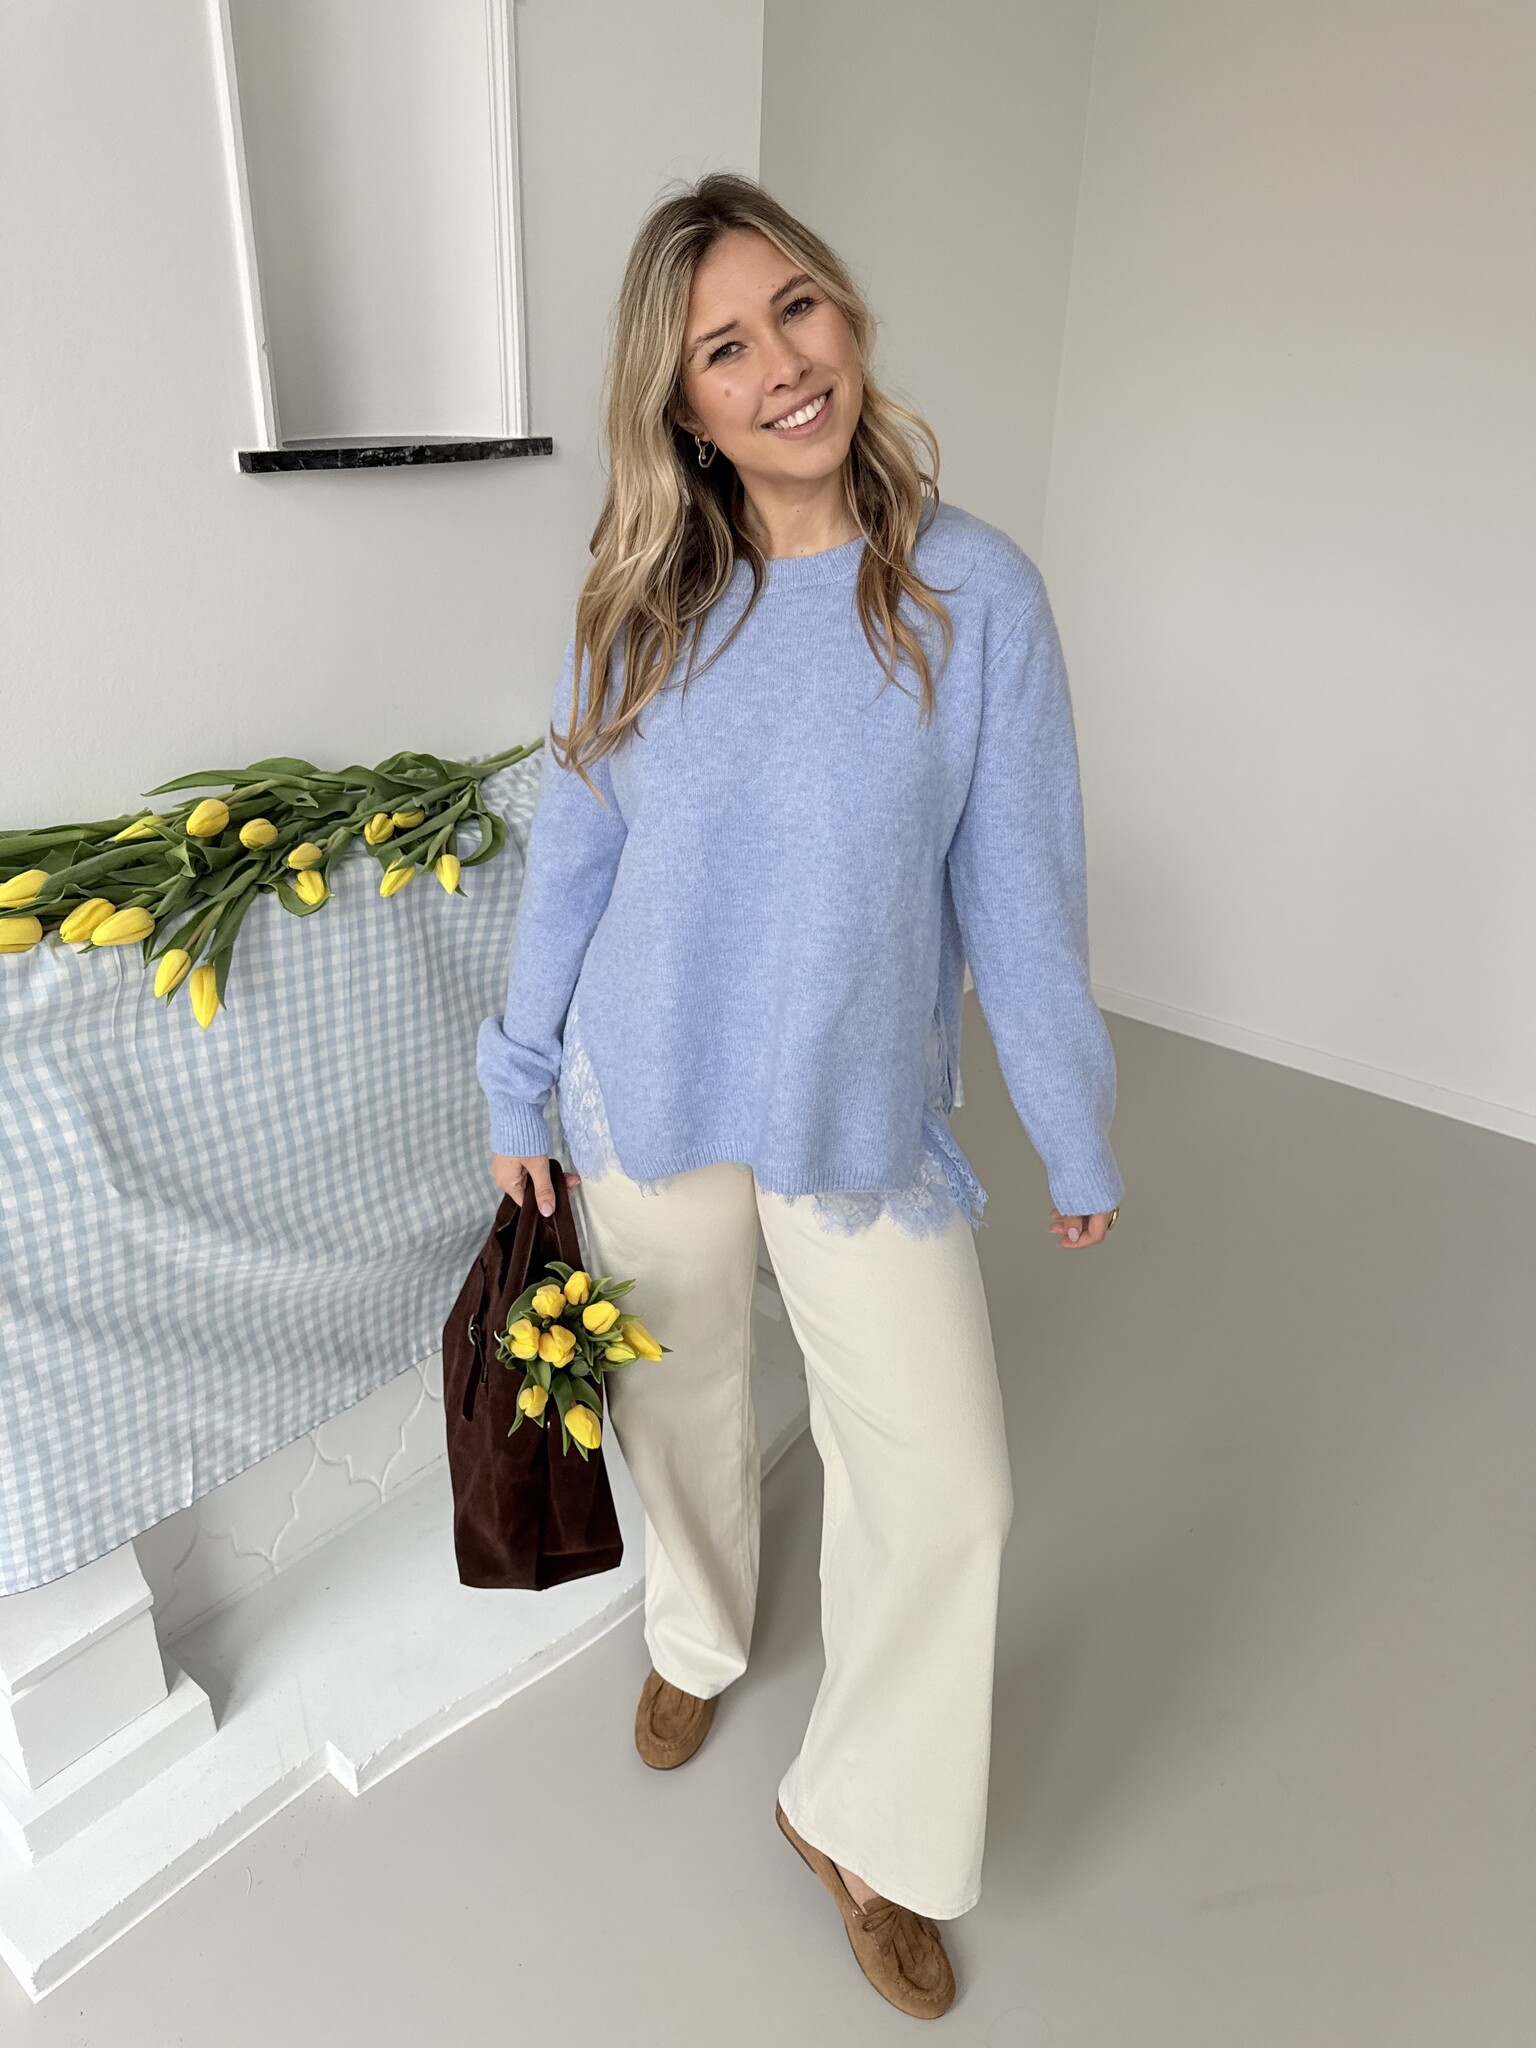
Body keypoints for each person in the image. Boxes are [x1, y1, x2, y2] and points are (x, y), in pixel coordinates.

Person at [477, 170, 1124, 2022]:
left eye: (800, 311)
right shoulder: (637, 607)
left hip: (857, 1111)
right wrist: (517, 1082)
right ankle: (694, 1636)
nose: (783, 366)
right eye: (725, 349)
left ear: (849, 317)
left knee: (949, 1489)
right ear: (682, 407)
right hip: (650, 1086)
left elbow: (1022, 889)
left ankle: (863, 1822)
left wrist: (1071, 1120)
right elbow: (572, 866)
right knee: (676, 1403)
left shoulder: (975, 594)